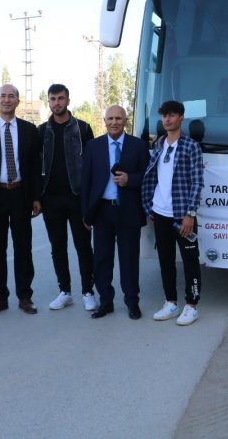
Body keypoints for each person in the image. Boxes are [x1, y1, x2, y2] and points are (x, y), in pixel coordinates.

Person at [0, 84, 42, 316]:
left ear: (18, 102)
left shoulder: (29, 130)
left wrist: (36, 197)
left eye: (12, 96)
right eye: (3, 96)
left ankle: (25, 296)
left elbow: (34, 166)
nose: (7, 100)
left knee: (23, 247)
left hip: (21, 194)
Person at [81, 105, 150, 319]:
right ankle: (106, 302)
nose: (114, 122)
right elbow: (86, 181)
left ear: (125, 121)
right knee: (102, 259)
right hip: (102, 211)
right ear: (104, 121)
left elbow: (148, 176)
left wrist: (131, 179)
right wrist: (86, 213)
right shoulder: (93, 146)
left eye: (118, 118)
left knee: (129, 259)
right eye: (110, 118)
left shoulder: (138, 146)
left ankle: (132, 302)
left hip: (129, 211)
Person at [142, 101, 205, 326]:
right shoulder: (159, 144)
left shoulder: (191, 146)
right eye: (164, 116)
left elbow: (197, 182)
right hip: (160, 214)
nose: (167, 120)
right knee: (165, 260)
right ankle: (170, 302)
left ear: (181, 118)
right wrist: (150, 207)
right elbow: (153, 177)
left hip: (182, 216)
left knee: (190, 261)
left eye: (171, 115)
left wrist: (190, 214)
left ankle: (191, 306)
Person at [37, 83, 98, 312]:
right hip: (51, 199)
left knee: (83, 247)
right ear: (49, 102)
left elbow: (92, 166)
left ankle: (88, 291)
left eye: (60, 98)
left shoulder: (83, 128)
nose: (57, 103)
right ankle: (65, 292)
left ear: (68, 101)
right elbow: (35, 165)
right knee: (58, 247)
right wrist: (37, 197)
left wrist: (90, 199)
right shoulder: (41, 131)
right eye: (53, 99)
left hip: (77, 198)